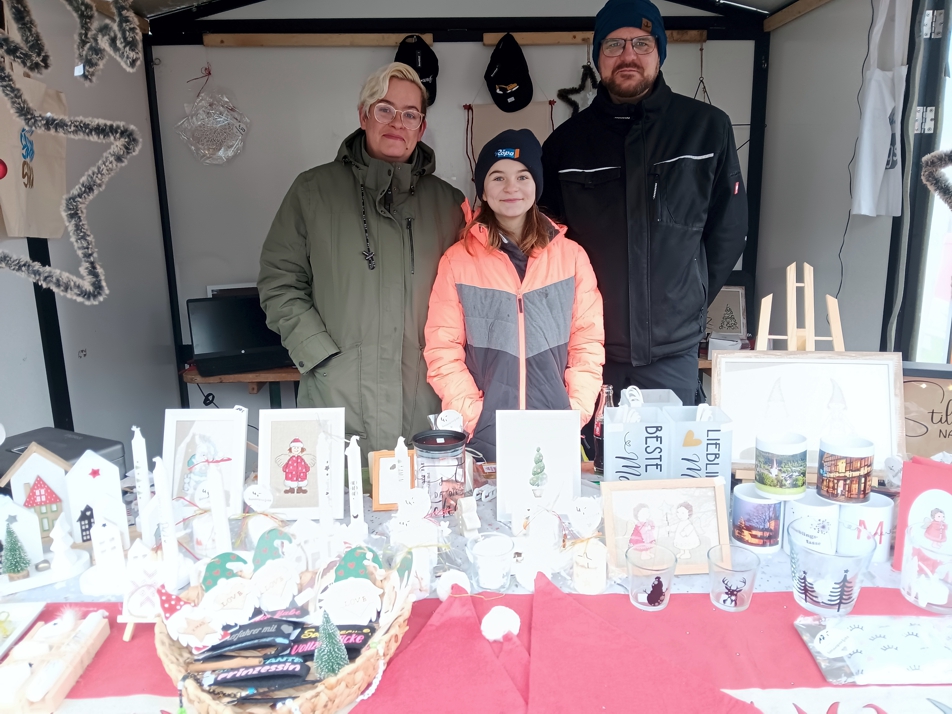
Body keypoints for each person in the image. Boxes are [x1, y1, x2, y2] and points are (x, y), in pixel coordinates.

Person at [541, 0, 748, 407]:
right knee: (591, 450)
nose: (628, 55)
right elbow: (547, 249)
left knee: (668, 450)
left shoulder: (706, 130)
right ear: (598, 56)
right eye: (613, 45)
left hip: (673, 353)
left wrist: (688, 298)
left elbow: (728, 230)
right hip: (590, 353)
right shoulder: (565, 144)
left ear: (659, 52)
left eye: (641, 43)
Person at [258, 63, 467, 454]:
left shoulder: (450, 205)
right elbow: (279, 281)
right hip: (336, 392)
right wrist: (317, 354)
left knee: (424, 490)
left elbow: (474, 296)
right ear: (363, 116)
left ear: (421, 128)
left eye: (410, 114)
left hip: (425, 398)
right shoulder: (313, 192)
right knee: (341, 488)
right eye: (385, 109)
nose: (397, 122)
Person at [424, 129, 604, 461]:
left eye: (522, 176)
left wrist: (574, 411)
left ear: (536, 185)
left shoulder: (571, 258)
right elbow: (442, 350)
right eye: (498, 177)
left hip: (556, 431)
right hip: (486, 438)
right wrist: (475, 417)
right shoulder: (457, 261)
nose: (511, 187)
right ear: (483, 190)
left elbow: (587, 344)